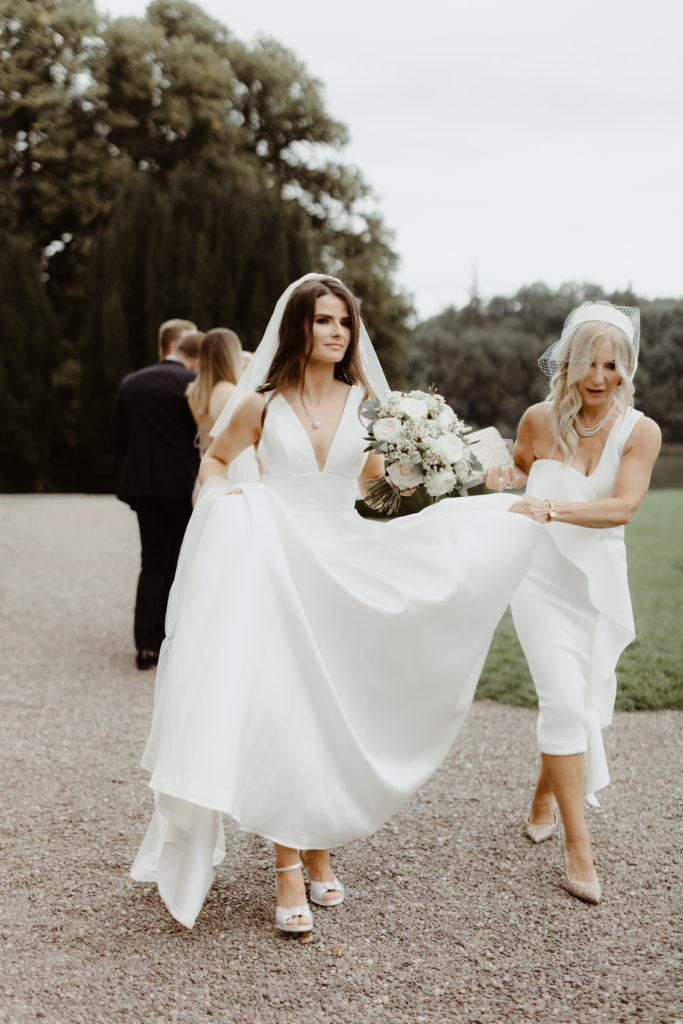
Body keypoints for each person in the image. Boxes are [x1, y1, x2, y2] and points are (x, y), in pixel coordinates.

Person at [131, 274, 541, 935]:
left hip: (344, 561)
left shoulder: (369, 404)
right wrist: (226, 503)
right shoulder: (259, 402)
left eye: (344, 323)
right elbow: (214, 464)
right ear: (298, 326)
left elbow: (374, 489)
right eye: (324, 320)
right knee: (286, 701)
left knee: (330, 706)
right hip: (275, 559)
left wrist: (433, 480)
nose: (336, 332)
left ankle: (318, 844)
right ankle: (289, 865)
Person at [486, 301, 661, 904]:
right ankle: (577, 847)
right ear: (567, 363)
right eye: (587, 362)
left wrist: (552, 506)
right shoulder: (538, 419)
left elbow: (623, 508)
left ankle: (544, 792)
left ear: (625, 368)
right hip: (540, 582)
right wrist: (499, 478)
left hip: (597, 585)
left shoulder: (641, 431)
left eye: (612, 364)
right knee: (563, 699)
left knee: (583, 704)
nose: (598, 376)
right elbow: (515, 470)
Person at [111, 318, 199, 671]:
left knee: (151, 561)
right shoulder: (193, 382)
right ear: (183, 344)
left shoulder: (131, 383)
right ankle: (167, 638)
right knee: (176, 561)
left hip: (143, 485)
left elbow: (116, 439)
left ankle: (144, 644)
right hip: (180, 485)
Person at [186, 328, 243, 452]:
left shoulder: (194, 392)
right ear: (232, 355)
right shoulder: (227, 391)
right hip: (228, 464)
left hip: (208, 460)